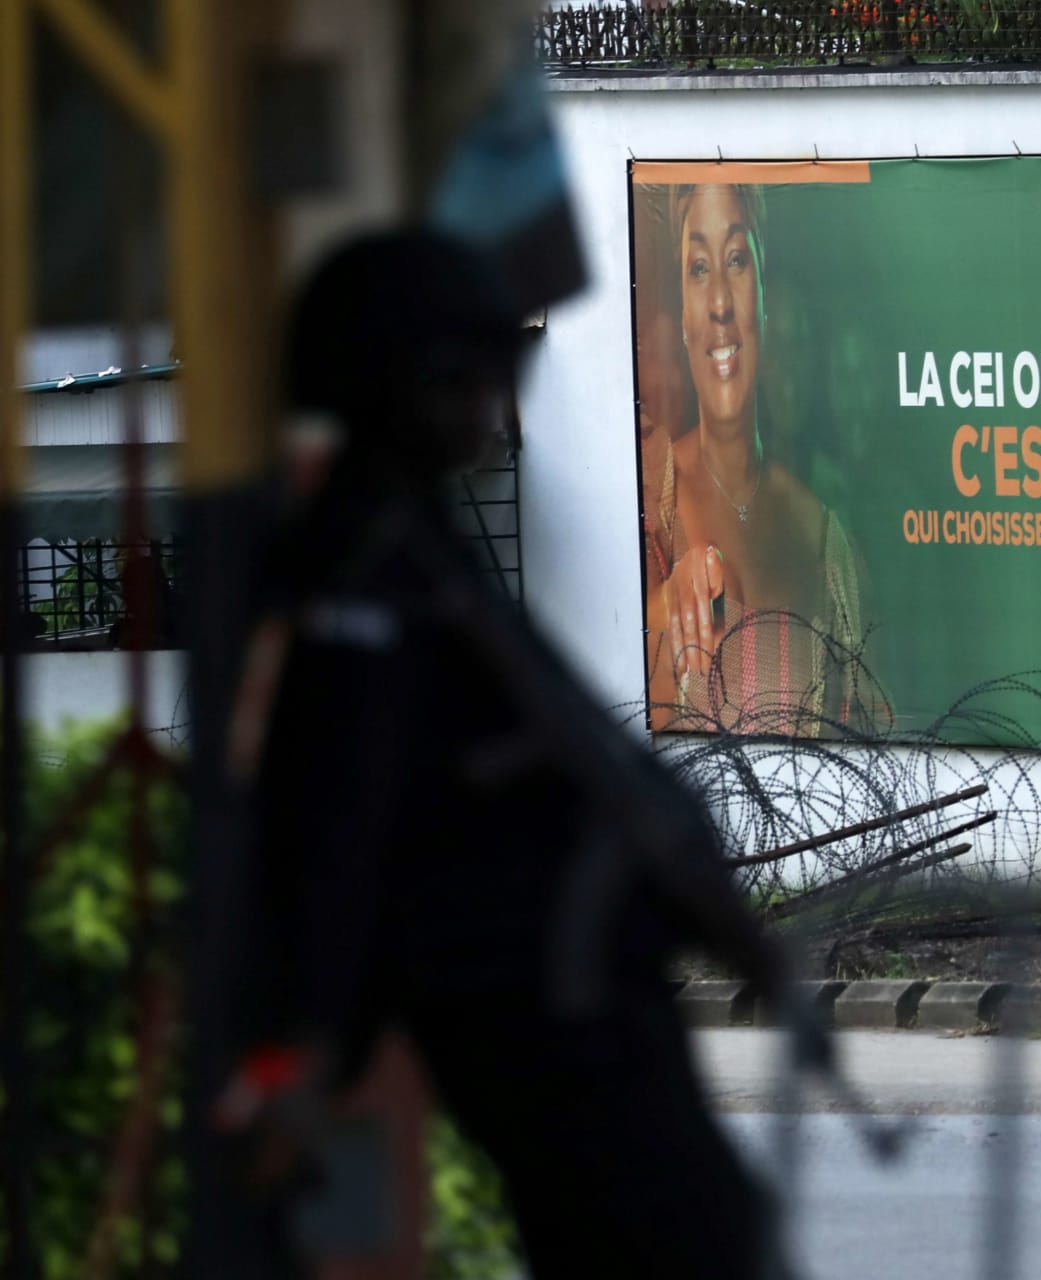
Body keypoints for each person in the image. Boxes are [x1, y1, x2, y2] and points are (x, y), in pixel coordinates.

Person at [220, 230, 793, 1277]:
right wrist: (306, 1039)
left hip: (570, 1014)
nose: (490, 406)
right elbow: (340, 828)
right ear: (403, 385)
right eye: (466, 378)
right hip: (543, 1027)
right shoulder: (370, 579)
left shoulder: (408, 548)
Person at [644, 183, 880, 736]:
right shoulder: (648, 494)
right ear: (682, 315)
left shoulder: (825, 538)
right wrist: (663, 606)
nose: (721, 303)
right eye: (699, 268)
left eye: (736, 260)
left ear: (765, 297)